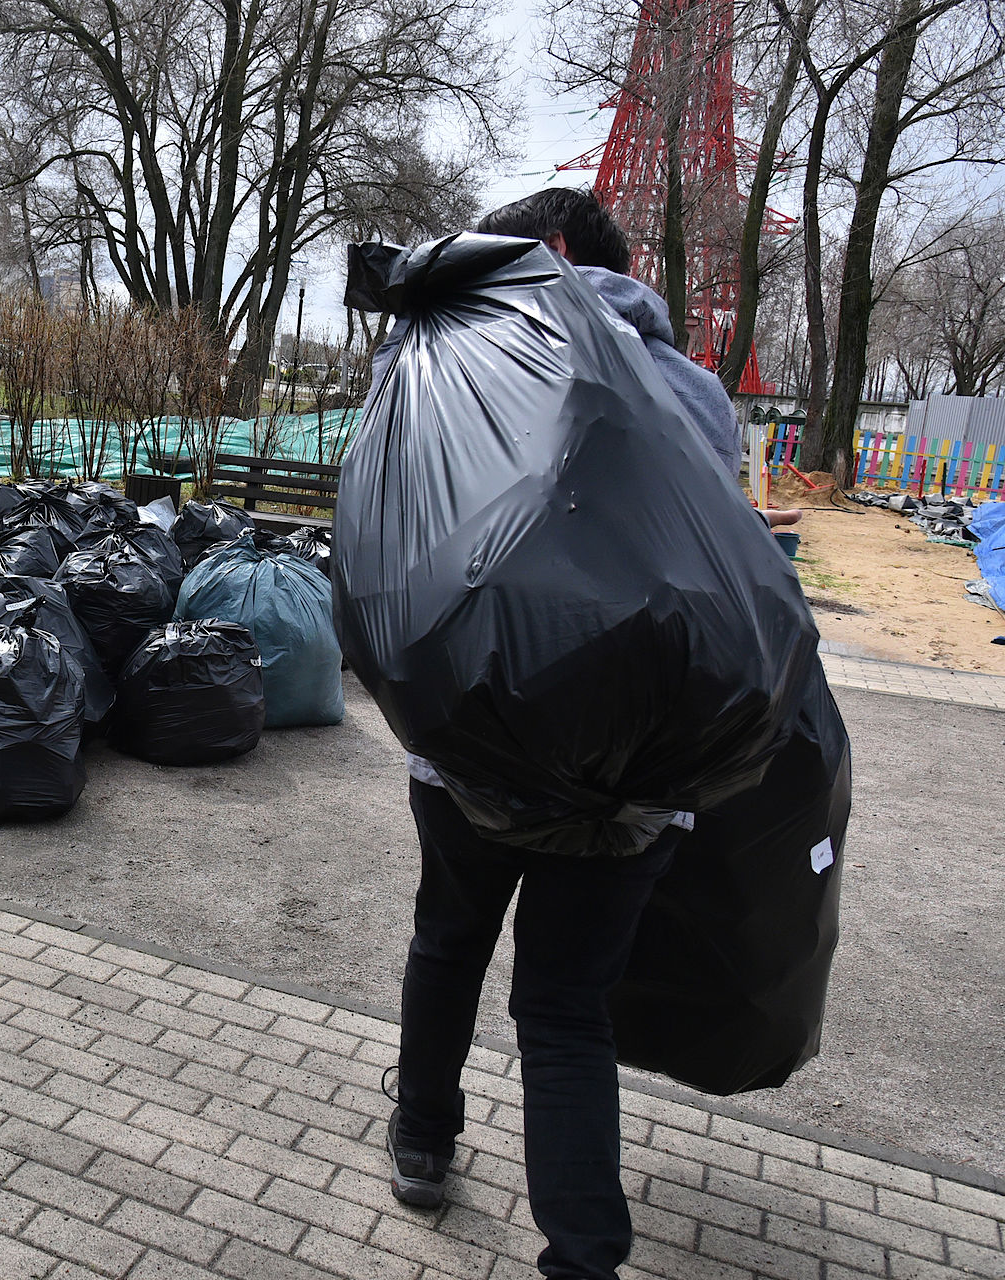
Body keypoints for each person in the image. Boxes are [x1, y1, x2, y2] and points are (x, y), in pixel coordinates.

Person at [375, 190, 735, 1280]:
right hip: (638, 771)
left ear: (555, 255)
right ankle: (583, 1255)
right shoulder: (703, 395)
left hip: (478, 742)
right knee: (564, 1008)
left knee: (449, 944)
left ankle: (424, 1141)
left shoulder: (474, 360)